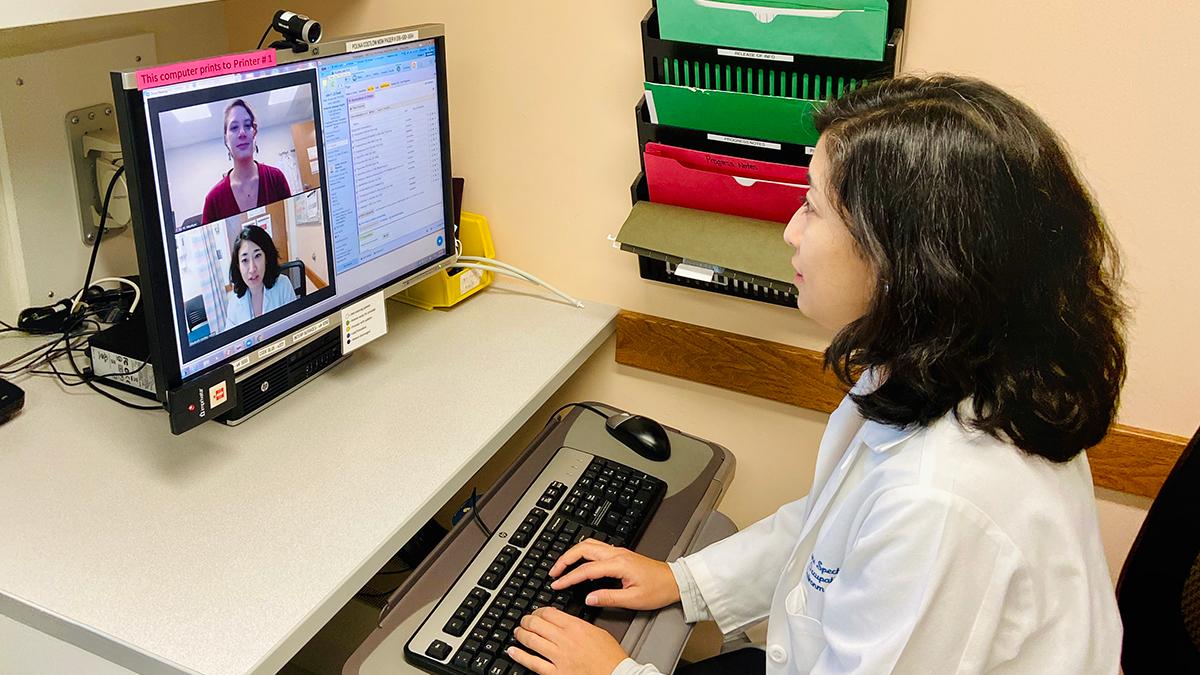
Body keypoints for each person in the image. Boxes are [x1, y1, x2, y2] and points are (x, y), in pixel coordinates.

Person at [506, 75, 1127, 675]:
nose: (790, 232)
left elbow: (886, 533)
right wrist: (683, 581)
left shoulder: (941, 502)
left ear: (906, 257)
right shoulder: (955, 367)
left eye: (813, 206)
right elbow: (832, 531)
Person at [201, 99, 291, 224]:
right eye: (234, 127)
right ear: (226, 139)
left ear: (254, 133)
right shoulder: (213, 200)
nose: (242, 133)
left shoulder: (276, 178)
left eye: (247, 125)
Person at [224, 226, 298, 329]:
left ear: (266, 257)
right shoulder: (234, 301)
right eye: (245, 260)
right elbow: (231, 341)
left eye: (257, 256)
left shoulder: (283, 285)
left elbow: (295, 325)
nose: (252, 269)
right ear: (238, 265)